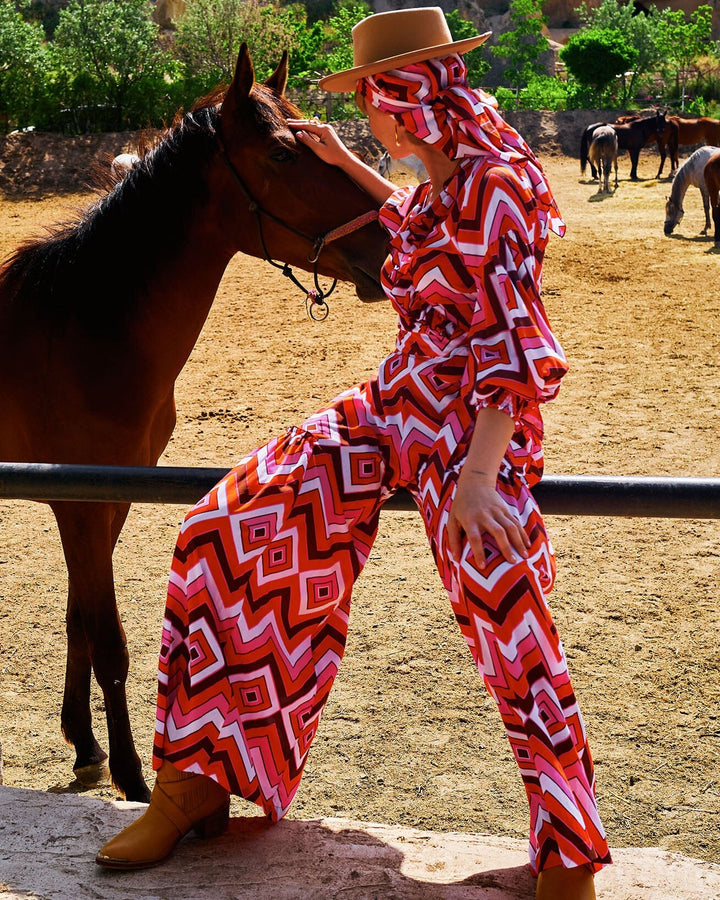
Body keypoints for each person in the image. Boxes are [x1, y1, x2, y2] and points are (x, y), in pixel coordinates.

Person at [96, 8, 611, 897]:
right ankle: (196, 780)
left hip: (474, 417)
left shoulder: (496, 186)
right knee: (229, 520)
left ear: (400, 101)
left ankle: (568, 856)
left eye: (368, 104)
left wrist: (482, 478)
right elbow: (415, 221)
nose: (364, 118)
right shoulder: (445, 176)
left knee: (508, 617)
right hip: (395, 397)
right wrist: (341, 164)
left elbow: (515, 334)